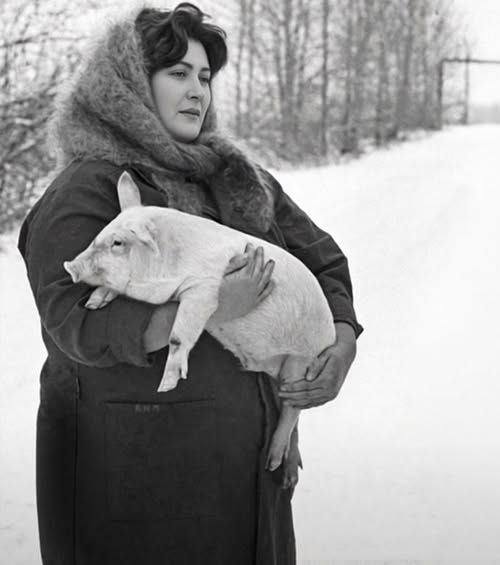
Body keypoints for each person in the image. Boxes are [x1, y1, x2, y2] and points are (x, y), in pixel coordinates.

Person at [17, 3, 363, 565]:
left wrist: (340, 346)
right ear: (128, 83)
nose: (197, 90)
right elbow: (73, 321)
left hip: (248, 472)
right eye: (177, 73)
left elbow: (322, 262)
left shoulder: (234, 177)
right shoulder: (87, 189)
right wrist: (209, 307)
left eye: (204, 76)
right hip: (134, 482)